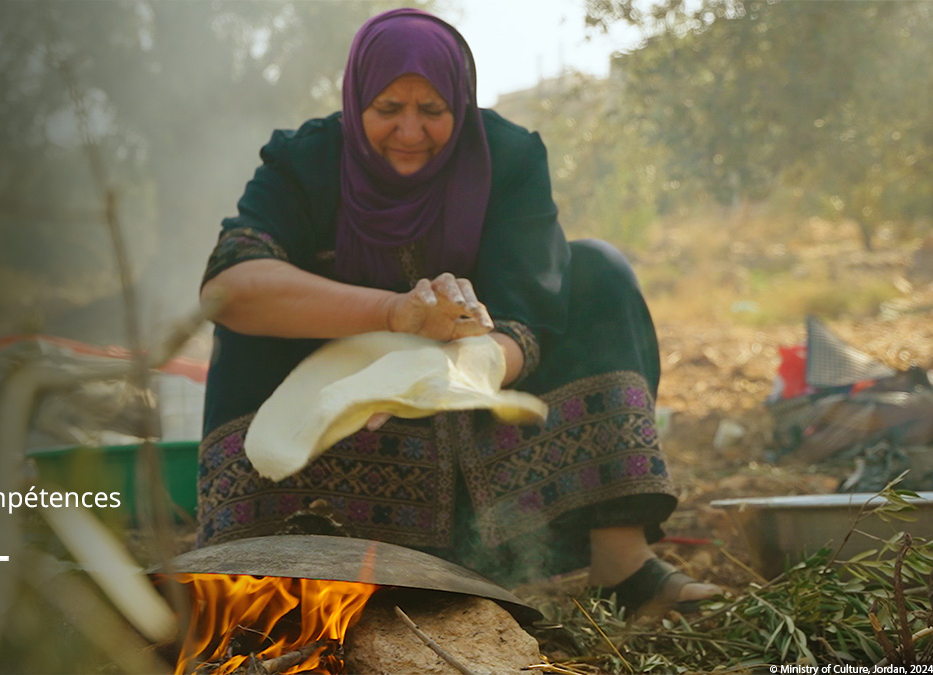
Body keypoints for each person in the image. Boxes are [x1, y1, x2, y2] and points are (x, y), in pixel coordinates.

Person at [196, 7, 720, 616]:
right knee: (253, 316)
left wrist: (441, 377)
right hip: (337, 416)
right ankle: (274, 568)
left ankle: (620, 561)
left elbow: (529, 315)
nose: (410, 131)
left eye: (432, 110)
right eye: (388, 109)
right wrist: (395, 314)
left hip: (474, 400)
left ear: (461, 104)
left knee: (598, 271)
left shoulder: (508, 158)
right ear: (356, 100)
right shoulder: (304, 161)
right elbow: (229, 286)